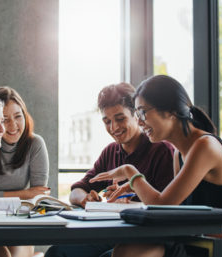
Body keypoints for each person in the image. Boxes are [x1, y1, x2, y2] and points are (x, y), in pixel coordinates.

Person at [90, 75, 222, 257]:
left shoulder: (204, 146)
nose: (139, 121)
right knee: (123, 250)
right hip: (198, 241)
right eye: (137, 115)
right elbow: (172, 210)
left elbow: (162, 204)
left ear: (170, 111)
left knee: (127, 252)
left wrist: (130, 173)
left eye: (143, 112)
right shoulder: (179, 153)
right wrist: (133, 185)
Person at [45, 82, 174, 257]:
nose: (113, 128)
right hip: (115, 234)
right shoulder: (111, 152)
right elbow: (76, 190)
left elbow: (166, 209)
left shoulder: (161, 150)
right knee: (57, 252)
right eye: (107, 121)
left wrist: (129, 204)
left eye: (120, 119)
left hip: (147, 238)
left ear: (137, 115)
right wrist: (86, 199)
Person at [0, 86, 49, 257]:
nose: (13, 125)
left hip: (19, 221)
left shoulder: (35, 144)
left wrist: (28, 196)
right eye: (4, 119)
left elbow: (38, 197)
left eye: (18, 116)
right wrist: (24, 194)